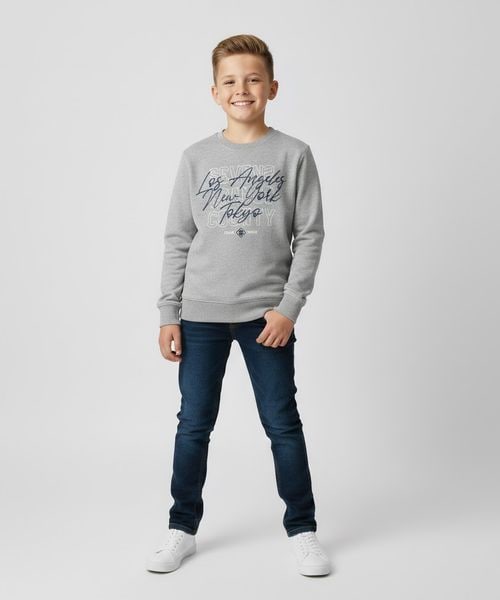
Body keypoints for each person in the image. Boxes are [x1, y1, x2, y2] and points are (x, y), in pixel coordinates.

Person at [146, 33, 331, 577]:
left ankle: (303, 530)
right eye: (229, 81)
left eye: (253, 79)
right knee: (193, 424)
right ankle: (182, 529)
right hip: (200, 315)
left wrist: (289, 307)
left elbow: (310, 235)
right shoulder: (196, 158)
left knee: (282, 422)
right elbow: (178, 238)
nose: (241, 89)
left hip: (266, 318)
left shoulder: (294, 155)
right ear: (214, 92)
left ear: (272, 87)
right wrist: (168, 312)